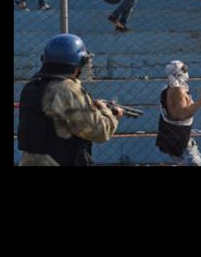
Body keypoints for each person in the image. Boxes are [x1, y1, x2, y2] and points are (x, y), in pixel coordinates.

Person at [17, 33, 124, 166]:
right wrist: (110, 113)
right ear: (77, 63)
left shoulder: (32, 85)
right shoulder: (67, 88)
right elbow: (99, 131)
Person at [156, 60, 201, 166]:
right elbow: (181, 114)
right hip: (179, 140)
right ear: (178, 73)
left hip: (179, 137)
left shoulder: (172, 88)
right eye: (184, 70)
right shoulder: (177, 91)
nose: (187, 72)